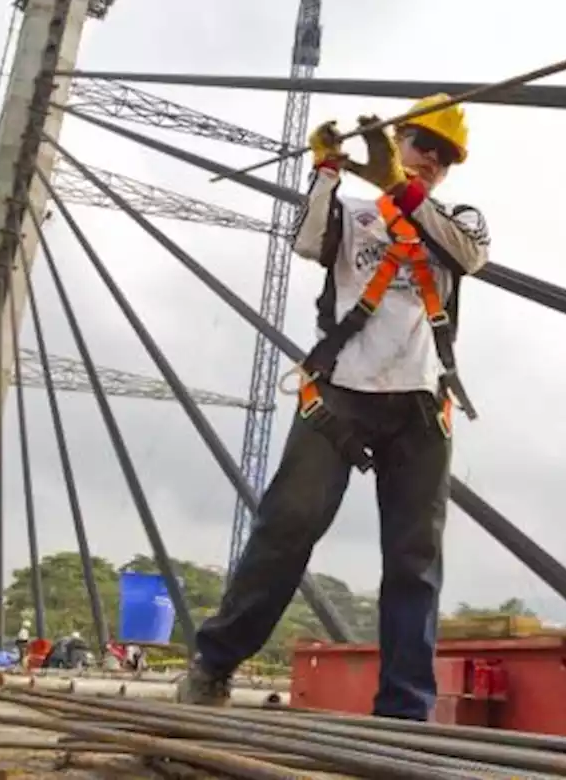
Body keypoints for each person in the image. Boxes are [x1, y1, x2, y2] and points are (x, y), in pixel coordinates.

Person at [180, 95, 490, 721]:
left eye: (443, 156)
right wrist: (326, 167)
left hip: (420, 406)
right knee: (285, 527)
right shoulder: (352, 213)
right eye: (420, 145)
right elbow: (307, 242)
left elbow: (469, 256)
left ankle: (404, 712)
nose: (431, 160)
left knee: (414, 559)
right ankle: (214, 662)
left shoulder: (458, 218)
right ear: (398, 139)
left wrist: (400, 186)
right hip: (339, 395)